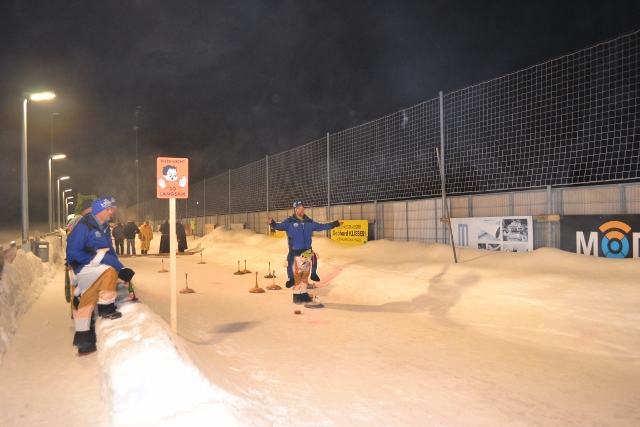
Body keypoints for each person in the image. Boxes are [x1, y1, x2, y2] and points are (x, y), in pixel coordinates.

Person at [66, 196, 135, 356]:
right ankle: (106, 308)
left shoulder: (104, 227)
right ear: (98, 211)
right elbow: (73, 250)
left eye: (112, 209)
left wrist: (121, 268)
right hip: (84, 268)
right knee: (109, 272)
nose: (112, 212)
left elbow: (110, 253)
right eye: (108, 209)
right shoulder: (84, 226)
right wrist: (92, 259)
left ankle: (83, 342)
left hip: (93, 268)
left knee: (87, 301)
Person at [267, 200, 343, 303]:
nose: (302, 210)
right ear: (295, 210)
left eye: (303, 208)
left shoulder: (309, 222)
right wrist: (272, 223)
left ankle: (303, 294)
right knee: (296, 275)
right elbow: (279, 227)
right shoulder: (289, 221)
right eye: (299, 208)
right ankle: (296, 296)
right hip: (295, 252)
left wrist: (335, 224)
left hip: (307, 252)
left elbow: (321, 226)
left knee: (305, 275)